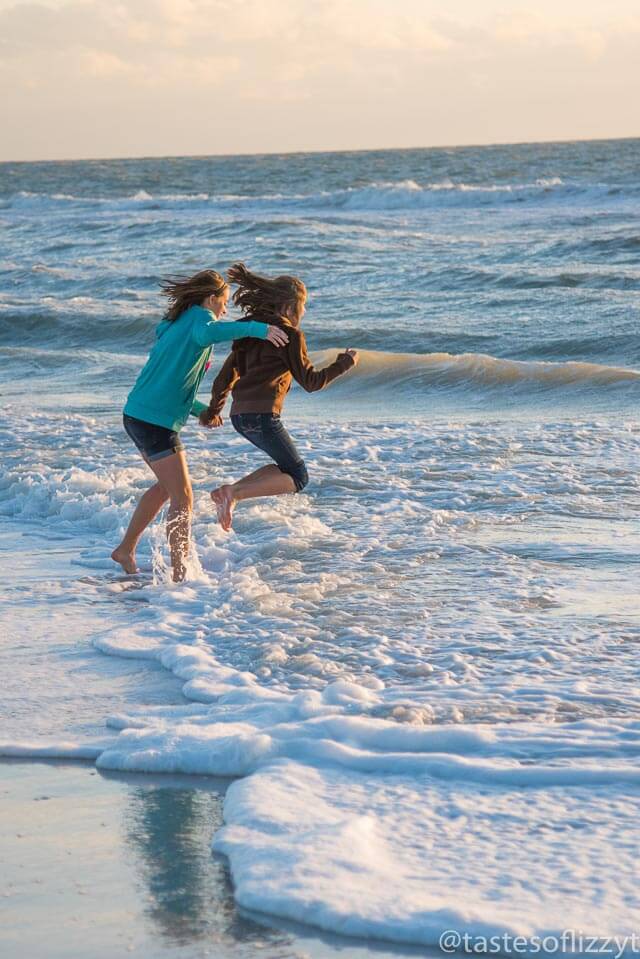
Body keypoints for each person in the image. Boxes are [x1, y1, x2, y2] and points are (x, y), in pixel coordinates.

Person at [111, 269, 289, 581]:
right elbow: (212, 332)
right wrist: (260, 330)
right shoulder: (198, 321)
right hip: (153, 422)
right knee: (184, 497)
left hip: (138, 415)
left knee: (167, 490)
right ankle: (180, 573)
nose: (225, 310)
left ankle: (126, 549)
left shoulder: (176, 325)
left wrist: (201, 410)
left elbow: (171, 384)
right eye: (223, 302)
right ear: (210, 299)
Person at [199, 263, 358, 530]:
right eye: (302, 306)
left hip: (240, 417)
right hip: (263, 417)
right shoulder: (290, 334)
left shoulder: (249, 332)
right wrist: (345, 363)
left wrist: (214, 410)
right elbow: (311, 382)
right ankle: (233, 494)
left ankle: (231, 492)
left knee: (284, 467)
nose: (304, 312)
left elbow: (224, 377)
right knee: (298, 477)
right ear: (287, 308)